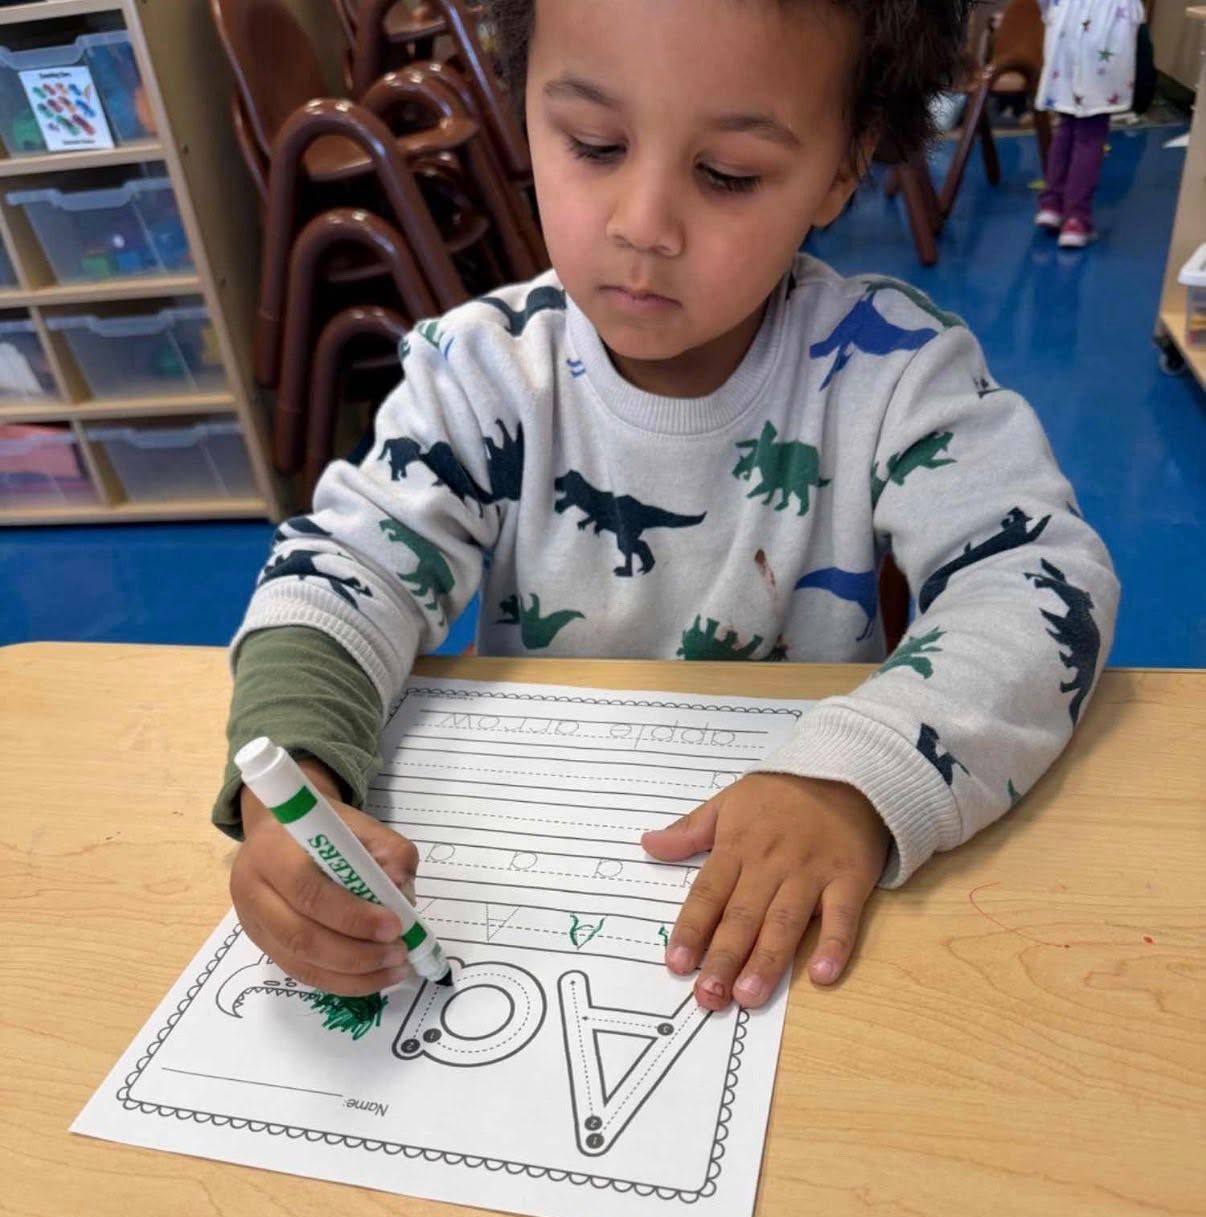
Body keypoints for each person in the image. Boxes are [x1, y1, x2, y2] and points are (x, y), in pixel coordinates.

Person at [215, 0, 1119, 1014]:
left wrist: (858, 781)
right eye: (593, 144)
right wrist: (291, 775)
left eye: (728, 172)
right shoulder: (480, 375)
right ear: (524, 105)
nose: (642, 224)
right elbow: (350, 570)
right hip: (548, 870)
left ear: (841, 163)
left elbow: (1043, 582)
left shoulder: (897, 376)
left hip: (799, 908)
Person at [1035, 0, 1144, 248]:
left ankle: (1051, 204)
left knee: (1066, 124)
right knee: (1091, 133)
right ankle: (1076, 218)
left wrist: (1050, 14)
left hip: (1065, 28)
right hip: (1107, 31)